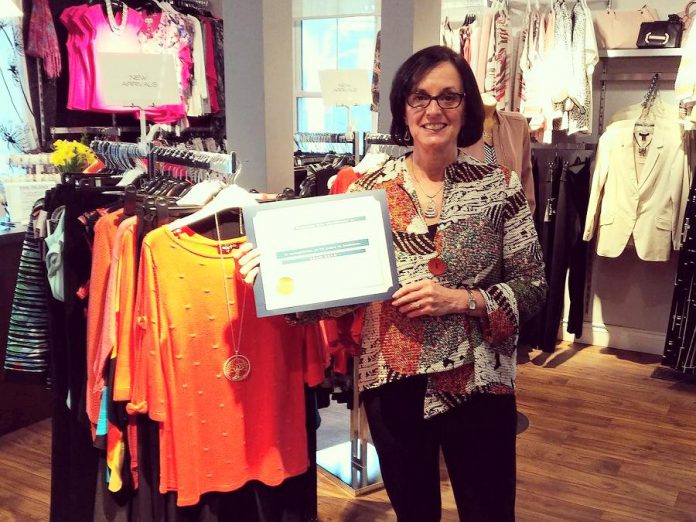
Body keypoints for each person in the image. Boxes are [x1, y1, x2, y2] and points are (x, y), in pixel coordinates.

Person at [233, 45, 547, 522]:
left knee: (489, 511)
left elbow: (534, 287)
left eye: (449, 97)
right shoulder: (368, 189)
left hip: (481, 382)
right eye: (420, 97)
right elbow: (336, 293)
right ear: (403, 106)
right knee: (414, 512)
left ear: (467, 107)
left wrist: (465, 300)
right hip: (393, 381)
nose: (433, 110)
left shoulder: (499, 187)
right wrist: (272, 279)